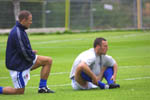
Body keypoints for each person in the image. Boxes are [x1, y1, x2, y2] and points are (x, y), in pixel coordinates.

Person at [0, 10, 54, 94]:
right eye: (30, 20)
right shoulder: (17, 32)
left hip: (23, 60)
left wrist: (30, 52)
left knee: (48, 61)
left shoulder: (21, 30)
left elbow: (22, 49)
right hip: (18, 65)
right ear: (23, 20)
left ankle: (42, 88)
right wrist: (31, 54)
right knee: (19, 92)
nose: (31, 22)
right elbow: (24, 52)